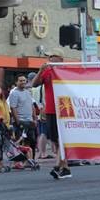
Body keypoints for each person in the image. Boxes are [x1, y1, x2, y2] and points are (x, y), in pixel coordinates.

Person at [32, 47, 72, 179]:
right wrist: (40, 71)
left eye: (51, 56)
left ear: (59, 59)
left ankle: (57, 165)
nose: (48, 59)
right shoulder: (47, 71)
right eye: (48, 57)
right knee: (55, 140)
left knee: (63, 138)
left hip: (64, 108)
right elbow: (34, 84)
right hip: (50, 109)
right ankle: (64, 167)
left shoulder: (66, 70)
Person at [9, 74, 37, 158]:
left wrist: (34, 118)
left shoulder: (28, 92)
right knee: (20, 142)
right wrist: (17, 121)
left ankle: (30, 160)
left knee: (31, 141)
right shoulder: (14, 93)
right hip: (20, 120)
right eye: (20, 81)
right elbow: (13, 108)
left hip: (30, 121)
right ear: (16, 82)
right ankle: (20, 161)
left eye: (24, 80)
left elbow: (32, 106)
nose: (23, 82)